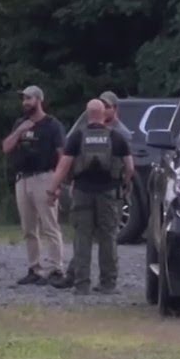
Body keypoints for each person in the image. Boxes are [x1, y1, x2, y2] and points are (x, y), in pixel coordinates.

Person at [48, 98, 134, 295]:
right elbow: (130, 167)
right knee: (108, 238)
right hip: (109, 193)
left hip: (82, 192)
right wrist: (124, 185)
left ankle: (82, 284)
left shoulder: (77, 137)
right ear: (104, 114)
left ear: (87, 115)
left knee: (82, 238)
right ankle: (108, 283)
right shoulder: (116, 137)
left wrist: (52, 190)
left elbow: (63, 167)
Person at [2, 85, 67, 285]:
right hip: (23, 178)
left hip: (44, 177)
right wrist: (20, 131)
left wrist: (57, 183)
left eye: (29, 98)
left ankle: (56, 268)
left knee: (50, 225)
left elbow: (62, 155)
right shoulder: (20, 123)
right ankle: (34, 268)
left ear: (39, 100)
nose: (25, 103)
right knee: (28, 228)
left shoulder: (52, 125)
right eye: (23, 99)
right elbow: (6, 147)